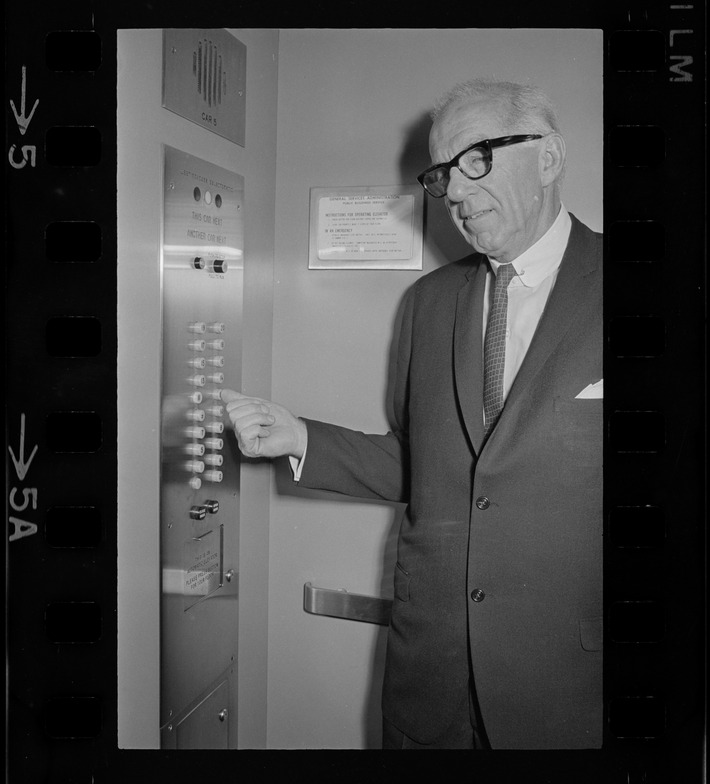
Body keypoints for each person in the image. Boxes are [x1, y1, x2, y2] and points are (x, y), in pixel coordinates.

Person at [221, 79, 603, 750]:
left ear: (549, 158)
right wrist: (298, 436)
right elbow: (422, 464)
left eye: (476, 158)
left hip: (573, 690)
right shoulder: (430, 302)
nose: (453, 190)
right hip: (432, 686)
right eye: (443, 173)